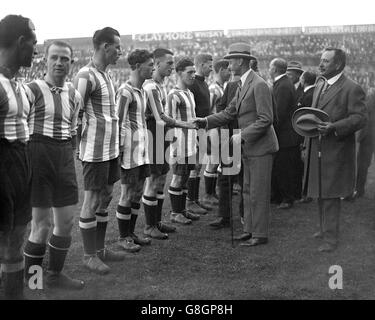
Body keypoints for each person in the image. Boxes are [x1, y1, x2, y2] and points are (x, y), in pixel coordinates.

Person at [194, 43, 279, 246]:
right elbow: (228, 113)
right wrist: (205, 121)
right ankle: (250, 230)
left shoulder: (258, 84)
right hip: (250, 147)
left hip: (261, 148)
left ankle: (260, 234)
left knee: (258, 192)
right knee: (248, 190)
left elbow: (266, 119)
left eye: (231, 61)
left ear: (240, 61)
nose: (228, 65)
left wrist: (241, 136)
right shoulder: (243, 84)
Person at [23, 41, 84, 290]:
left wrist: (70, 154)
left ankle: (54, 275)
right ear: (45, 61)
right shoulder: (31, 89)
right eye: (54, 58)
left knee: (66, 222)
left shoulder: (74, 94)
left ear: (72, 63)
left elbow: (72, 130)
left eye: (65, 59)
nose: (59, 63)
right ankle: (34, 283)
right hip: (38, 153)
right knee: (41, 225)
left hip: (63, 155)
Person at [304, 47, 367, 252]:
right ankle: (324, 229)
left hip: (337, 148)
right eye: (321, 60)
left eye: (326, 61)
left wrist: (334, 127)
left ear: (338, 64)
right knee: (320, 192)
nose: (320, 64)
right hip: (318, 146)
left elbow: (359, 118)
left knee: (331, 195)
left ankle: (331, 239)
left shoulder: (351, 87)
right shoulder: (320, 84)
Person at [74, 27, 126, 275]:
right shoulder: (86, 75)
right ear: (105, 47)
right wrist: (76, 146)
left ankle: (101, 249)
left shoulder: (105, 75)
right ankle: (88, 255)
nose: (120, 51)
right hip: (94, 151)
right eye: (117, 46)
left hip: (110, 149)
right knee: (92, 199)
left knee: (106, 197)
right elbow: (75, 113)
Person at [0, 14, 37, 299]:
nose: (35, 50)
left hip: (21, 167)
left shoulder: (20, 86)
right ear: (21, 41)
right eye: (33, 42)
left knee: (16, 240)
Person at [143, 48, 194, 238]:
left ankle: (157, 222)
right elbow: (160, 116)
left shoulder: (160, 85)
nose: (172, 67)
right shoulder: (150, 87)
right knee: (153, 181)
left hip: (160, 135)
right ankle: (149, 226)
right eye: (169, 63)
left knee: (161, 179)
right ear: (157, 64)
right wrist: (183, 124)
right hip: (152, 135)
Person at [115, 49, 154, 251]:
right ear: (138, 66)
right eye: (150, 64)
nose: (153, 68)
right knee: (127, 193)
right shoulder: (125, 91)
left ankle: (131, 233)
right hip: (129, 152)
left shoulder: (142, 91)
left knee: (138, 192)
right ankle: (123, 237)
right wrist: (120, 149)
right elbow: (118, 122)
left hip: (142, 150)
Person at [167, 57, 200, 225]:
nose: (193, 75)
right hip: (180, 145)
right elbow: (169, 121)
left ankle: (183, 209)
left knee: (186, 177)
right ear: (179, 73)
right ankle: (175, 213)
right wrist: (173, 146)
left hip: (191, 143)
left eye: (194, 72)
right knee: (178, 177)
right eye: (190, 72)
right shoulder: (174, 95)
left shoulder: (190, 93)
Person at [269, 58, 299, 209]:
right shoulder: (284, 83)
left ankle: (287, 199)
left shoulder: (282, 86)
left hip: (284, 136)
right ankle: (279, 196)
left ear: (274, 69)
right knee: (280, 167)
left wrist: (269, 131)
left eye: (270, 67)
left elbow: (278, 113)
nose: (268, 70)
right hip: (285, 134)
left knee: (283, 168)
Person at [187, 53, 213, 214]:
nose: (211, 68)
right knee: (194, 166)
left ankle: (195, 200)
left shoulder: (203, 83)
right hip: (195, 130)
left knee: (199, 165)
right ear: (201, 65)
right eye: (209, 65)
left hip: (204, 129)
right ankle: (191, 201)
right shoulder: (194, 84)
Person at [203, 59, 231, 208]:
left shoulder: (222, 87)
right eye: (228, 70)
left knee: (216, 160)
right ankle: (208, 194)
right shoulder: (213, 89)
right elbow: (209, 109)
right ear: (221, 70)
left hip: (220, 128)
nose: (230, 72)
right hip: (214, 129)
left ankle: (212, 193)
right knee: (213, 161)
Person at [298, 70, 316, 203]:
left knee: (307, 164)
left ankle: (308, 193)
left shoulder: (309, 94)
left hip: (305, 132)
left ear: (304, 80)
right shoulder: (310, 92)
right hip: (306, 132)